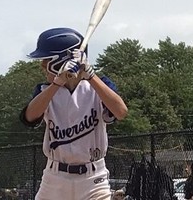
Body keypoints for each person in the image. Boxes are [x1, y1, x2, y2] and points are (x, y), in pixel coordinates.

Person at [20, 27, 128, 200]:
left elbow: (121, 112)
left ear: (60, 60)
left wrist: (90, 76)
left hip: (93, 177)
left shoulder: (99, 86)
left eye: (47, 59)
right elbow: (29, 117)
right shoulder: (45, 90)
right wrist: (57, 83)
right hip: (55, 177)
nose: (42, 65)